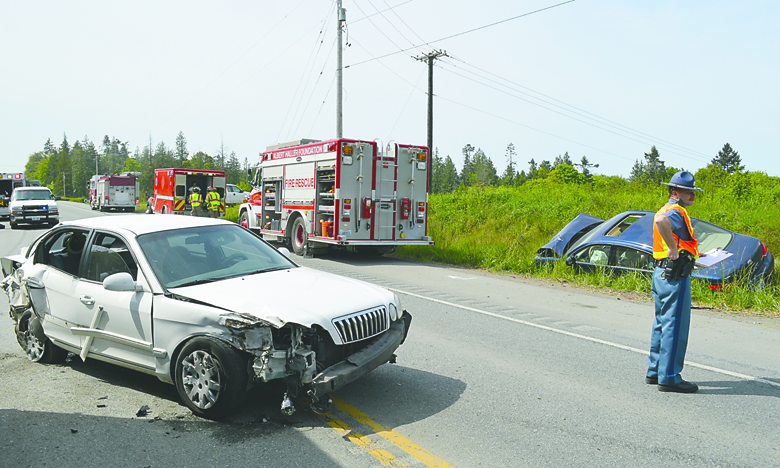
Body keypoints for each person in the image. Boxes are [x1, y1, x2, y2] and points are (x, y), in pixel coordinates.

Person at [646, 171, 704, 393]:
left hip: (661, 273)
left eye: (694, 192)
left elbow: (660, 220)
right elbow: (661, 222)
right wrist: (673, 248)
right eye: (689, 192)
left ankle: (655, 371)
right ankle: (669, 377)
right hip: (674, 276)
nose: (693, 196)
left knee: (661, 322)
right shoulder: (676, 211)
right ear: (675, 192)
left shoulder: (666, 208)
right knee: (675, 325)